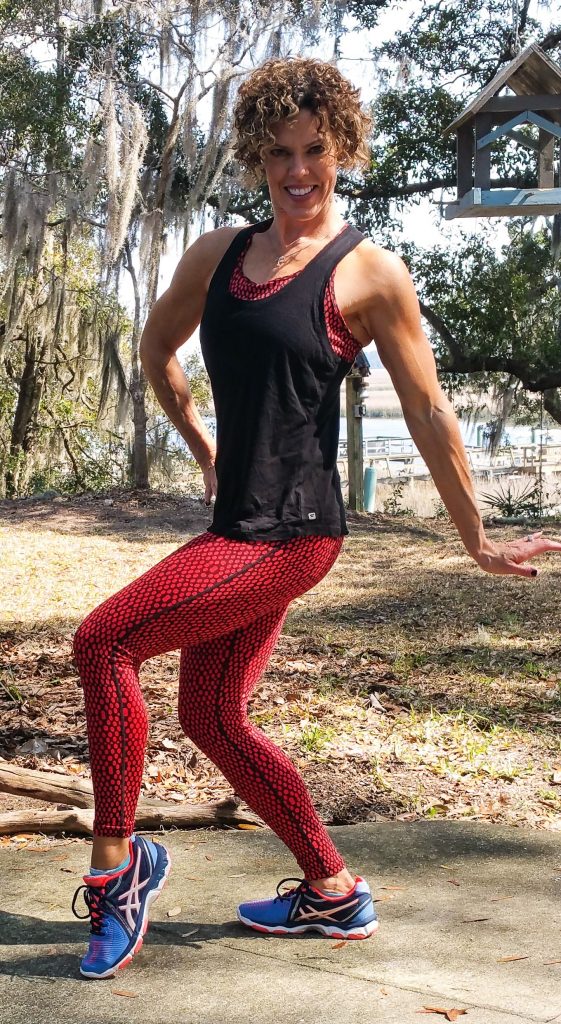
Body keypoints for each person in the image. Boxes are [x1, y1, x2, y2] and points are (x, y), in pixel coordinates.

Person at [71, 56, 561, 980]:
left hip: (294, 533)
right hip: (236, 525)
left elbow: (428, 412)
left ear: (343, 151)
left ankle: (116, 870)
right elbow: (156, 348)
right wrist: (203, 447)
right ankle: (332, 889)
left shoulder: (366, 273)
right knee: (212, 716)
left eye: (316, 153)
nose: (298, 173)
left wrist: (476, 538)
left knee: (104, 644)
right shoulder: (218, 255)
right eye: (279, 155)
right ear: (257, 158)